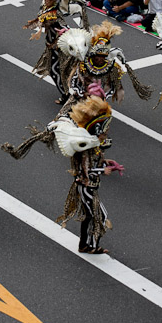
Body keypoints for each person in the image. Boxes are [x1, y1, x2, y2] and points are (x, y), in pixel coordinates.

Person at [57, 96, 116, 255]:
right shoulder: (86, 148)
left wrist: (106, 164)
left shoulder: (93, 145)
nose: (107, 133)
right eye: (105, 130)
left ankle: (85, 245)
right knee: (98, 216)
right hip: (86, 187)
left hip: (90, 187)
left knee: (90, 216)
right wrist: (102, 170)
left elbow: (95, 163)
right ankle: (91, 246)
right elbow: (86, 171)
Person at [23, 0, 70, 103]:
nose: (46, 0)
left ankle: (67, 95)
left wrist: (59, 39)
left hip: (58, 47)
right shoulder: (45, 8)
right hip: (50, 45)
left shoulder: (55, 13)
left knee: (56, 70)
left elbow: (64, 27)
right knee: (56, 70)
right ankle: (68, 92)